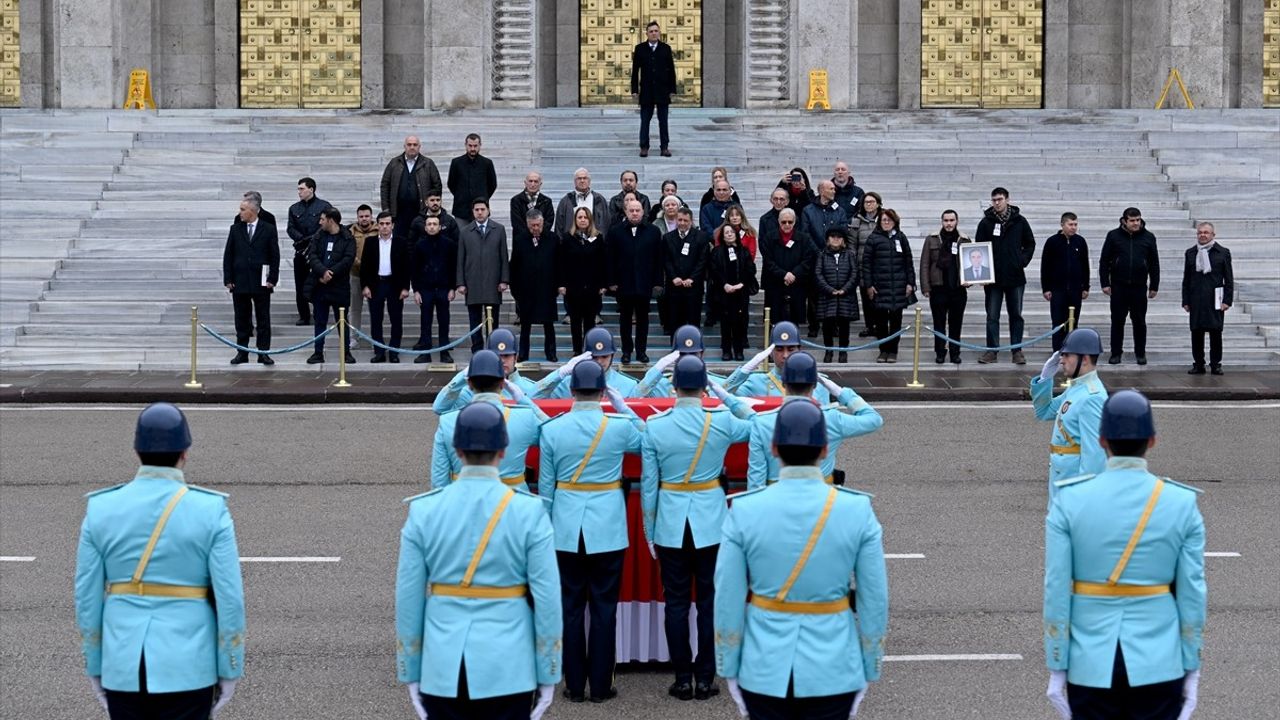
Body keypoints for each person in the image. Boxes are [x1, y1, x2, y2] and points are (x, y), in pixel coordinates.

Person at [715, 399, 888, 720]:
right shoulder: (856, 509)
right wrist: (870, 662)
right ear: (824, 449)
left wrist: (728, 662)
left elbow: (727, 595)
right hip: (834, 664)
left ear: (774, 448)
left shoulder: (745, 509)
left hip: (763, 664)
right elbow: (874, 598)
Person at [75, 403, 245, 720]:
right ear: (185, 452)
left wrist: (95, 664)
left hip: (123, 661)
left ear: (137, 451)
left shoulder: (101, 508)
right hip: (189, 663)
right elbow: (230, 598)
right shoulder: (210, 510)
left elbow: (86, 600)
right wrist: (230, 665)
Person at [1043, 390, 1205, 720]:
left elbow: (1057, 587)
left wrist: (1057, 660)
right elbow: (1192, 592)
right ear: (1153, 441)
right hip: (1159, 659)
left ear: (1102, 440)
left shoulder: (1070, 500)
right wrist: (1192, 663)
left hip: (1090, 660)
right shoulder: (1181, 503)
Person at [396, 401, 561, 720]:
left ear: (457, 450)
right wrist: (548, 671)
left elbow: (408, 599)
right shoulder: (529, 511)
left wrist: (410, 670)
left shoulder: (423, 511)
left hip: (443, 663)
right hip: (509, 662)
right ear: (503, 451)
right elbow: (548, 599)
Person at [640, 355, 754, 701]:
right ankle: (705, 676)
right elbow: (757, 424)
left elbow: (649, 488)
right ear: (705, 386)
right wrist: (727, 396)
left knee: (675, 603)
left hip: (671, 524)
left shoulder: (656, 427)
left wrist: (649, 530)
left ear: (673, 387)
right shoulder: (720, 421)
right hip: (712, 523)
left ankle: (682, 678)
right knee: (708, 602)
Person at [538, 361, 645, 703]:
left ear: (571, 391)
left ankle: (573, 684)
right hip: (607, 527)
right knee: (603, 608)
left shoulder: (553, 430)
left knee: (570, 608)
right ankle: (600, 686)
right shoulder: (616, 427)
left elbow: (546, 491)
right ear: (602, 390)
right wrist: (621, 404)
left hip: (566, 527)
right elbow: (645, 439)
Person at [745, 352, 883, 490]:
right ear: (815, 385)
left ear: (783, 383)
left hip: (776, 501)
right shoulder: (833, 419)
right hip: (823, 502)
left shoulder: (762, 423)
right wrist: (842, 393)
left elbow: (756, 481)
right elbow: (873, 419)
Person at [430, 350, 549, 494]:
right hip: (513, 503)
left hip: (463, 501)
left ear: (469, 383)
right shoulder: (525, 418)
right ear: (502, 383)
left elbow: (439, 481)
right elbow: (555, 435)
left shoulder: (448, 421)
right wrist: (524, 400)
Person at [1030, 328, 1109, 503]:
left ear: (1085, 359)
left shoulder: (1092, 397)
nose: (1061, 360)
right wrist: (1045, 378)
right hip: (1062, 481)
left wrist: (1082, 502)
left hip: (1073, 491)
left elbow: (1094, 458)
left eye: (1067, 356)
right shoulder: (1077, 388)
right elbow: (1044, 412)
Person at [974, 187, 1036, 364]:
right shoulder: (986, 223)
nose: (997, 203)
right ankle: (992, 351)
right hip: (993, 278)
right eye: (994, 200)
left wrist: (1021, 261)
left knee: (1016, 314)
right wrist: (982, 273)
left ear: (1007, 200)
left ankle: (1017, 350)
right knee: (992, 316)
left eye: (1000, 199)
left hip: (1015, 277)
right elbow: (978, 248)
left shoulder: (1020, 221)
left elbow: (1030, 243)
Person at [223, 194, 279, 365]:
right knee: (241, 319)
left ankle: (263, 352)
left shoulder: (268, 229)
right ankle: (242, 352)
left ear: (253, 211)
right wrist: (228, 278)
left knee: (263, 319)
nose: (240, 213)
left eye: (242, 209)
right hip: (240, 281)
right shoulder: (236, 229)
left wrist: (273, 278)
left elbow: (274, 255)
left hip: (261, 281)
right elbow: (229, 255)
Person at [1100, 207, 1160, 365]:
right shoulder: (1113, 236)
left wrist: (1154, 285)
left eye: (1138, 220)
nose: (1135, 223)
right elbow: (1104, 260)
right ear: (1124, 221)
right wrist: (1105, 283)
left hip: (1139, 287)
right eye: (1132, 220)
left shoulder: (1148, 237)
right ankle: (1115, 353)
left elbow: (1154, 263)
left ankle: (1140, 353)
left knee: (1139, 321)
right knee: (1117, 321)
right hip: (1118, 286)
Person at [607, 199, 664, 364]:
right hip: (623, 283)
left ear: (643, 211)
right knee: (624, 319)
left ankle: (641, 351)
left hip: (644, 283)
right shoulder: (615, 232)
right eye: (631, 210)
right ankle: (626, 351)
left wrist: (657, 282)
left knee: (642, 319)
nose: (634, 213)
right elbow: (610, 258)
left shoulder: (653, 231)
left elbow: (658, 260)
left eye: (637, 210)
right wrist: (611, 281)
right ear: (625, 212)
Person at [433, 328, 539, 414]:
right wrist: (462, 377)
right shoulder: (474, 390)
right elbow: (440, 408)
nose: (501, 361)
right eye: (496, 356)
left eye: (506, 356)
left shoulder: (530, 388)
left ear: (515, 358)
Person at [723, 321, 831, 403]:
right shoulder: (756, 382)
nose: (785, 355)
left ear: (800, 350)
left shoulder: (819, 383)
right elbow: (721, 396)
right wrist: (744, 371)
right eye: (779, 350)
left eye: (791, 349)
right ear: (770, 352)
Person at [861, 209, 917, 364]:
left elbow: (908, 261)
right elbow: (866, 264)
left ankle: (893, 351)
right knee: (880, 323)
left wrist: (910, 283)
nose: (886, 223)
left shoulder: (901, 237)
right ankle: (883, 350)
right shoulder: (873, 238)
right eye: (884, 220)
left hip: (898, 286)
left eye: (889, 220)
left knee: (896, 322)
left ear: (895, 222)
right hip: (880, 287)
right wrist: (869, 284)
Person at [303, 207, 357, 365]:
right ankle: (318, 352)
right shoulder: (318, 236)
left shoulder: (347, 238)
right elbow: (312, 255)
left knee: (342, 321)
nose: (320, 222)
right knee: (320, 320)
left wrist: (331, 273)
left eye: (322, 219)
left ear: (331, 220)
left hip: (339, 287)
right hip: (320, 285)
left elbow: (348, 259)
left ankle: (346, 352)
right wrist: (322, 272)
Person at [456, 198, 509, 353]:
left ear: (488, 210)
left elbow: (503, 256)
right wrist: (460, 282)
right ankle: (477, 350)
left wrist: (504, 279)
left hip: (493, 283)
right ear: (472, 212)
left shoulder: (498, 229)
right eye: (476, 210)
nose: (479, 212)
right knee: (475, 320)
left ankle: (493, 349)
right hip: (473, 283)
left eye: (482, 209)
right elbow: (460, 258)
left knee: (493, 320)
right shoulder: (465, 232)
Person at [919, 209, 971, 364]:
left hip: (957, 288)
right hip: (938, 288)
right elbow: (924, 264)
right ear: (942, 221)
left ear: (957, 221)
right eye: (946, 220)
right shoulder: (932, 239)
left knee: (956, 323)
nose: (949, 223)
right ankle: (940, 352)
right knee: (939, 323)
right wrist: (925, 287)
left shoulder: (965, 240)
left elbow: (971, 261)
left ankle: (955, 352)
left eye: (952, 220)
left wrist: (970, 280)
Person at [1182, 222, 1233, 375]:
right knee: (1196, 333)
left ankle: (1216, 364)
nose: (1202, 235)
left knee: (1215, 333)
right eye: (1200, 232)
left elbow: (1228, 278)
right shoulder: (1191, 253)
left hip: (1215, 298)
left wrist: (1227, 300)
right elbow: (1186, 279)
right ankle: (1198, 363)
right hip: (1196, 298)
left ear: (1213, 235)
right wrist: (1185, 300)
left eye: (1206, 232)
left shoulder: (1223, 252)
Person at [532, 327, 639, 399]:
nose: (599, 361)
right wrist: (560, 373)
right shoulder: (566, 384)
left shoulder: (629, 386)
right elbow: (533, 398)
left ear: (612, 355)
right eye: (594, 357)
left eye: (605, 356)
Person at [360, 211, 411, 363]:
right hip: (376, 285)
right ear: (377, 225)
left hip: (394, 285)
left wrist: (405, 287)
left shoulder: (401, 242)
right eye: (381, 224)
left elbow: (406, 266)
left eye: (387, 224)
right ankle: (379, 352)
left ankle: (394, 351)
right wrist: (365, 286)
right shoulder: (370, 242)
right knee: (376, 320)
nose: (384, 227)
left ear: (392, 225)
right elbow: (365, 267)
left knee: (396, 319)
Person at [510, 210, 560, 362]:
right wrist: (516, 290)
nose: (535, 229)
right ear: (527, 224)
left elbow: (559, 264)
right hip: (526, 290)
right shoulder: (520, 240)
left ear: (543, 223)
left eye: (538, 225)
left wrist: (558, 286)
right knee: (525, 325)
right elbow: (514, 266)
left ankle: (551, 353)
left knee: (548, 325)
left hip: (547, 288)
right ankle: (523, 353)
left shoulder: (552, 239)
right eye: (532, 226)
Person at [558, 207, 609, 355]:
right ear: (575, 220)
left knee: (590, 322)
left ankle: (589, 350)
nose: (582, 220)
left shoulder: (598, 238)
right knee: (575, 321)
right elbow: (562, 263)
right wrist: (561, 284)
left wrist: (603, 284)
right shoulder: (568, 238)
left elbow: (603, 263)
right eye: (579, 217)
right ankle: (576, 351)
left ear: (590, 220)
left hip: (593, 287)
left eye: (585, 217)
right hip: (573, 288)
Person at [409, 213, 457, 364]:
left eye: (434, 224)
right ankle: (425, 352)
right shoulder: (419, 245)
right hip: (426, 289)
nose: (431, 227)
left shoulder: (449, 244)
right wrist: (416, 290)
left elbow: (453, 267)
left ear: (439, 226)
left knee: (444, 321)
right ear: (425, 227)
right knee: (425, 322)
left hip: (443, 288)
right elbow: (414, 269)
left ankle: (444, 353)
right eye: (429, 224)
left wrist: (452, 288)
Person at [633, 325, 731, 398]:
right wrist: (660, 365)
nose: (688, 359)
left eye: (693, 354)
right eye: (683, 354)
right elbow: (635, 397)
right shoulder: (660, 385)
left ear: (702, 354)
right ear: (673, 357)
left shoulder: (718, 384)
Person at [1041, 212, 1092, 352]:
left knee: (1073, 322)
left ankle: (1071, 351)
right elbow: (1045, 266)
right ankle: (1057, 352)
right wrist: (1046, 288)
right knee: (1058, 322)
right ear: (1062, 225)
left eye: (1075, 224)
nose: (1073, 227)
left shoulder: (1080, 242)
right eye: (1070, 224)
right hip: (1058, 290)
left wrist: (1085, 286)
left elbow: (1085, 265)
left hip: (1075, 290)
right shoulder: (1052, 242)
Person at [710, 223, 759, 362]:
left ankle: (739, 351)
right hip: (723, 293)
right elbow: (714, 270)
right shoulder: (717, 251)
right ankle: (726, 350)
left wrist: (741, 284)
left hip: (740, 293)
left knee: (740, 323)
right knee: (725, 323)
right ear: (722, 236)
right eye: (726, 232)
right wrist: (724, 284)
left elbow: (750, 269)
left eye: (732, 232)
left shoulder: (744, 251)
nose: (729, 234)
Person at [287, 177, 332, 326]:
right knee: (300, 283)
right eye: (298, 189)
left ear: (311, 189)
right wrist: (302, 239)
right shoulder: (294, 208)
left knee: (319, 283)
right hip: (301, 250)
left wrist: (313, 239)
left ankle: (319, 312)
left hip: (318, 251)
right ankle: (303, 315)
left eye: (302, 189)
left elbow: (328, 225)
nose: (299, 192)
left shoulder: (324, 206)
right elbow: (290, 228)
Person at [759, 208, 813, 329]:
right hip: (775, 283)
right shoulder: (769, 238)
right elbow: (768, 261)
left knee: (794, 320)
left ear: (794, 222)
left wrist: (793, 274)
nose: (787, 225)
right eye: (784, 222)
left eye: (790, 222)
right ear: (779, 221)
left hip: (796, 283)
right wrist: (784, 274)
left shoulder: (804, 238)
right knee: (775, 319)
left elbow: (807, 260)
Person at [380, 135, 442, 241]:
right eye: (409, 145)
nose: (412, 147)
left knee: (419, 242)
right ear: (404, 146)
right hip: (398, 214)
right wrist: (386, 209)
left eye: (415, 145)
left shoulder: (428, 164)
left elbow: (437, 186)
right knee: (399, 243)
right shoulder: (394, 163)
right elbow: (385, 185)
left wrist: (430, 207)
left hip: (421, 213)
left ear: (419, 147)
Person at [631, 20, 677, 157]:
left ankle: (664, 147)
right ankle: (644, 147)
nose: (654, 33)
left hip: (662, 91)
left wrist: (672, 90)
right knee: (645, 120)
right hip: (646, 91)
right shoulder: (640, 49)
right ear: (647, 33)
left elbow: (671, 70)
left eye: (656, 31)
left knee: (663, 120)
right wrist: (634, 90)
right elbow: (635, 71)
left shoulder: (665, 48)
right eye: (651, 31)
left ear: (659, 32)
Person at [663, 207, 710, 333]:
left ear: (691, 221)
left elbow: (702, 261)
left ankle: (693, 349)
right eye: (680, 220)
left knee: (694, 321)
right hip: (674, 287)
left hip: (694, 287)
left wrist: (692, 278)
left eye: (685, 220)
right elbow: (666, 260)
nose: (682, 223)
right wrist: (674, 277)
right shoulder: (668, 238)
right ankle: (676, 350)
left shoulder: (701, 237)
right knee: (675, 322)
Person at [814, 227, 858, 363]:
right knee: (827, 325)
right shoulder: (822, 255)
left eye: (839, 237)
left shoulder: (850, 255)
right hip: (827, 295)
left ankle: (843, 352)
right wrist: (829, 289)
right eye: (833, 237)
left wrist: (845, 289)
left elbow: (854, 273)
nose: (836, 239)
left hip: (846, 295)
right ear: (828, 239)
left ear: (843, 240)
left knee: (844, 325)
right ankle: (829, 351)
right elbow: (818, 274)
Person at [849, 191, 882, 338]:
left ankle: (880, 325)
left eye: (872, 201)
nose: (869, 204)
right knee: (866, 297)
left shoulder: (885, 219)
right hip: (863, 265)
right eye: (866, 202)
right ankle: (870, 326)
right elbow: (852, 245)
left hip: (881, 265)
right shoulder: (856, 221)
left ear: (878, 203)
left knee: (880, 297)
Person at [346, 205, 379, 351]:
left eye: (367, 216)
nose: (364, 219)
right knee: (355, 309)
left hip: (374, 277)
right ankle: (354, 337)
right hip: (356, 274)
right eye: (361, 216)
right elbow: (347, 251)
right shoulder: (350, 232)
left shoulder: (378, 231)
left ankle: (376, 338)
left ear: (371, 216)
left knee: (375, 309)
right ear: (357, 217)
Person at [446, 133, 497, 221]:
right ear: (465, 145)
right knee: (462, 234)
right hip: (461, 209)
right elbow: (451, 183)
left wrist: (482, 197)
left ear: (480, 145)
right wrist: (461, 195)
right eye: (470, 145)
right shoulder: (456, 163)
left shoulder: (487, 163)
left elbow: (492, 184)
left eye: (475, 146)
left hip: (481, 210)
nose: (472, 149)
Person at [554, 168, 610, 234]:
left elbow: (607, 222)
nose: (582, 181)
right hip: (571, 241)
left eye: (585, 178)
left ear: (589, 181)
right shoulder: (566, 201)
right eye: (579, 178)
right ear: (574, 181)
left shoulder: (599, 199)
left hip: (595, 241)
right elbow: (559, 225)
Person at [509, 171, 556, 238]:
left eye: (536, 181)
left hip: (542, 239)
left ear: (540, 184)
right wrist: (530, 235)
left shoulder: (547, 201)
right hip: (521, 240)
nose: (533, 184)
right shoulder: (516, 200)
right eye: (530, 181)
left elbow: (549, 221)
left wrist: (538, 233)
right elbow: (517, 223)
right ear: (525, 183)